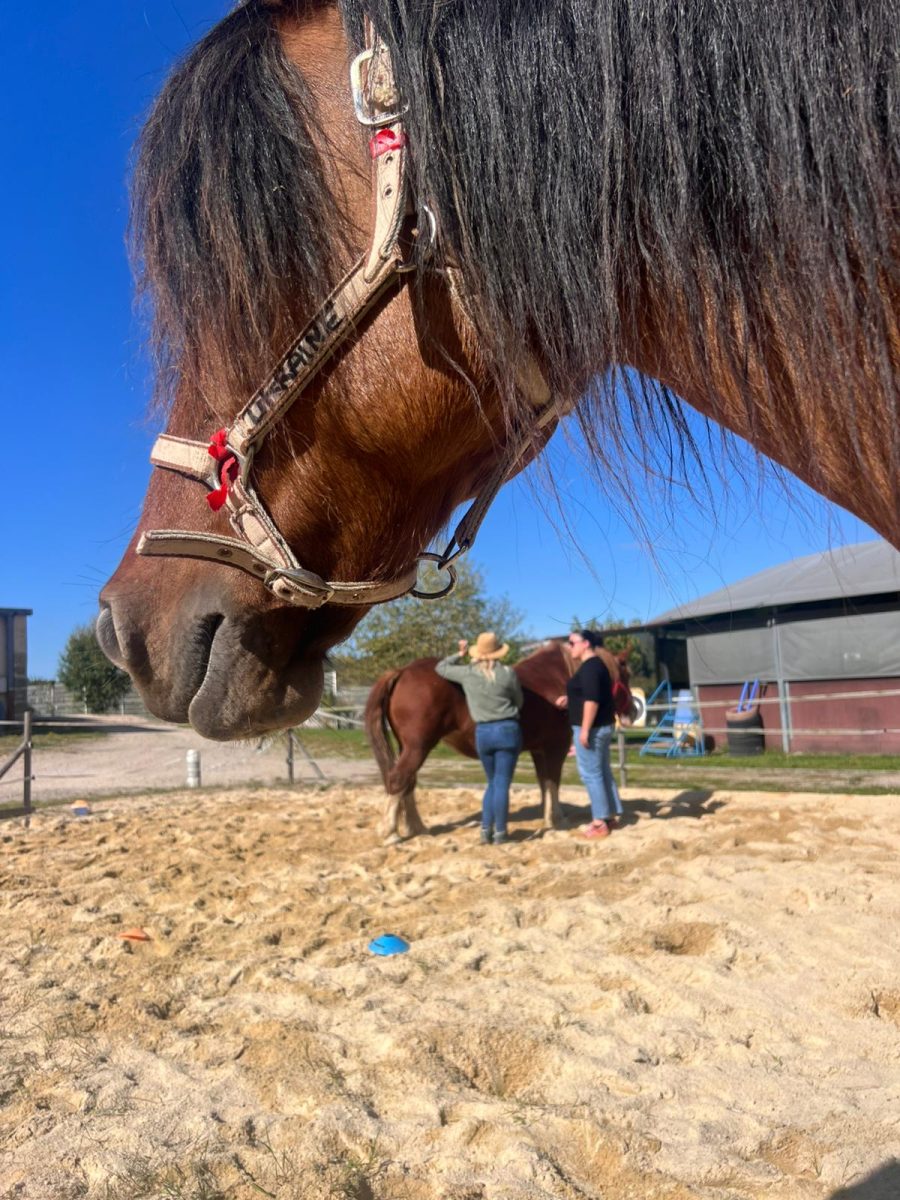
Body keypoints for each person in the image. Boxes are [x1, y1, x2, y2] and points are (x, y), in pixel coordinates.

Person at [436, 631, 524, 844]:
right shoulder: (508, 673)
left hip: (483, 732)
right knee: (502, 783)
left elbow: (441, 668)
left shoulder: (468, 673)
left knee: (492, 783)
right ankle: (501, 832)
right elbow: (519, 701)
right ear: (498, 652)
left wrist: (460, 654)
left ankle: (486, 830)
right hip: (507, 729)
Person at [556, 629, 623, 839]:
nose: (569, 646)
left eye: (572, 642)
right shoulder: (594, 666)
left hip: (592, 728)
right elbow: (590, 694)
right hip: (601, 726)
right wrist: (570, 699)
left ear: (586, 644)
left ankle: (599, 822)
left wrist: (584, 730)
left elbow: (592, 700)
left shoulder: (591, 668)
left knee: (591, 774)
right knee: (602, 771)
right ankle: (610, 815)